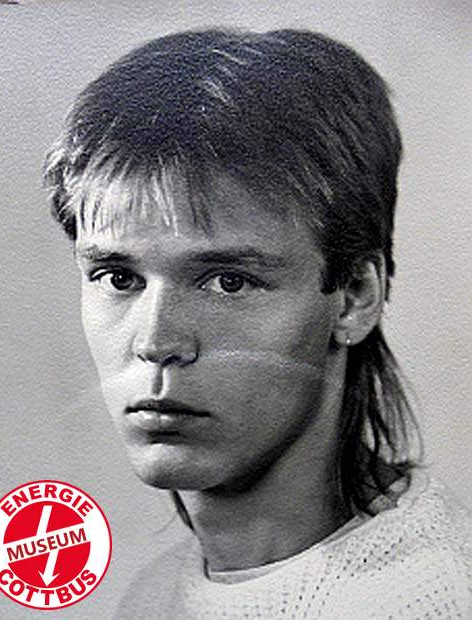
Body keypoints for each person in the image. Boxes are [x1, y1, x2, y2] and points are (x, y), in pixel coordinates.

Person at [43, 28, 470, 619]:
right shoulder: (151, 597)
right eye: (119, 277)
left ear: (355, 297)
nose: (156, 342)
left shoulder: (437, 598)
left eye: (229, 281)